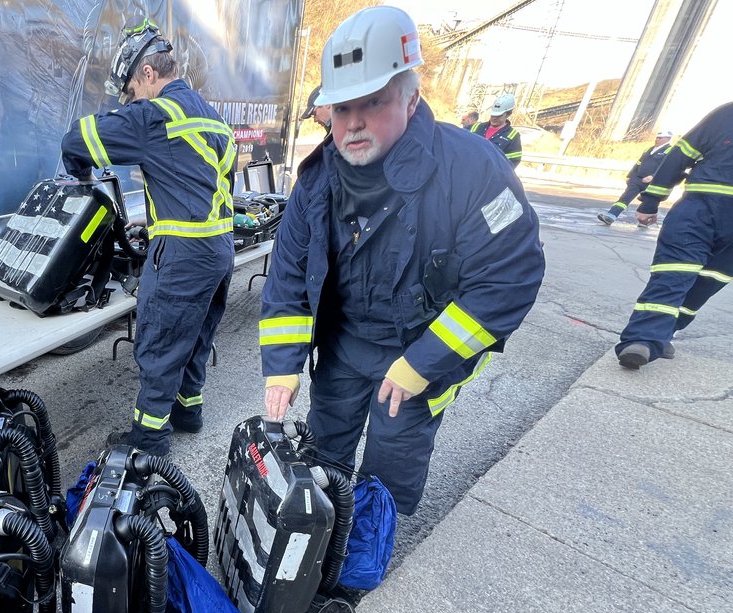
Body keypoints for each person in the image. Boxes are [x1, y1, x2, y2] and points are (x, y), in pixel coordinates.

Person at [259, 6, 544, 515]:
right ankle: (318, 552)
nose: (354, 123)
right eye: (342, 108)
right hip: (345, 348)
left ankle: (358, 572)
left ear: (411, 99)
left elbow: (509, 278)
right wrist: (280, 368)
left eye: (373, 102)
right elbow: (287, 276)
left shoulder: (473, 169)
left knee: (388, 469)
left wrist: (425, 363)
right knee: (324, 456)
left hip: (418, 352)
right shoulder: (318, 178)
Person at [60, 19, 235, 455]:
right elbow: (207, 183)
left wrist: (80, 174)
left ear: (148, 74)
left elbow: (77, 139)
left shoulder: (154, 116)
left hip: (181, 255)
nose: (133, 100)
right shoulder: (214, 119)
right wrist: (157, 220)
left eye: (132, 91)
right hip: (219, 249)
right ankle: (188, 412)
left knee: (159, 343)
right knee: (195, 335)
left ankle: (149, 442)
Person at [614, 102, 733, 370]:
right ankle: (642, 340)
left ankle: (663, 331)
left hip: (704, 212)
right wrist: (651, 200)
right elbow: (680, 156)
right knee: (674, 273)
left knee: (708, 283)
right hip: (700, 210)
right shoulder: (726, 115)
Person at [597, 130, 672, 227]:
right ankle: (610, 217)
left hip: (652, 182)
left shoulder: (669, 151)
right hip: (637, 179)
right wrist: (630, 176)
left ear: (667, 139)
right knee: (625, 198)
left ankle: (645, 222)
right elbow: (638, 163)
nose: (657, 139)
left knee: (648, 203)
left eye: (660, 138)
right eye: (657, 137)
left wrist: (653, 176)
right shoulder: (649, 149)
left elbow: (665, 167)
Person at [470, 93, 522, 167]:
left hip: (489, 176)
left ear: (508, 114)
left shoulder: (512, 136)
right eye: (493, 115)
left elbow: (512, 162)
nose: (494, 118)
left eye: (499, 116)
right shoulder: (475, 128)